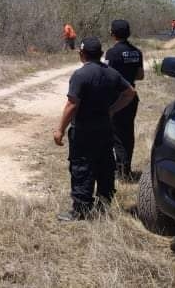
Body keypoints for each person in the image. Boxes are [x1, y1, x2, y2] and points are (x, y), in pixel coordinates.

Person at [53, 37, 135, 221]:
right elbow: (130, 92)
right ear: (101, 53)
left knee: (82, 167)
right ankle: (104, 203)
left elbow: (72, 105)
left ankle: (81, 209)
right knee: (105, 164)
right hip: (105, 128)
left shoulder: (80, 75)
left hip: (83, 130)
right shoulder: (112, 74)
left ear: (81, 54)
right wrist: (113, 109)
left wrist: (59, 130)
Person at [105, 19, 144, 182]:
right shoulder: (136, 52)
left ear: (112, 33)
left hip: (117, 97)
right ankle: (125, 168)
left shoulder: (112, 53)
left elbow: (107, 76)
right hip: (132, 97)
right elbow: (140, 75)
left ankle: (121, 171)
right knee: (128, 132)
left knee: (116, 134)